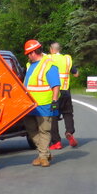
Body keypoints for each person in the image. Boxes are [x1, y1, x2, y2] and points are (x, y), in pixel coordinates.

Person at [22, 39, 61, 167]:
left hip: (45, 104)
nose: (28, 56)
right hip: (30, 105)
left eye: (29, 53)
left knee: (44, 130)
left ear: (34, 52)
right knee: (31, 129)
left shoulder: (49, 65)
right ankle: (45, 152)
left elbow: (56, 85)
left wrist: (54, 101)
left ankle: (43, 157)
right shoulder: (29, 65)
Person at [48, 42, 79, 150]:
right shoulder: (67, 59)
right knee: (68, 113)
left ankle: (56, 142)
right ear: (59, 49)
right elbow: (76, 73)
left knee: (53, 117)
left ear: (51, 49)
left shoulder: (48, 59)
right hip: (66, 91)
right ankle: (69, 131)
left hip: (54, 92)